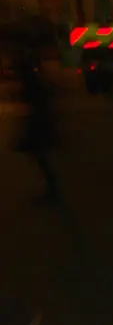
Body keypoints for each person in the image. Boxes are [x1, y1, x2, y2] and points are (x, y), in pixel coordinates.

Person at [15, 36, 62, 205]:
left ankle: (53, 189)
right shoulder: (34, 71)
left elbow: (35, 94)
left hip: (39, 117)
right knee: (41, 154)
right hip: (40, 115)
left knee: (40, 154)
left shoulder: (30, 73)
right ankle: (52, 188)